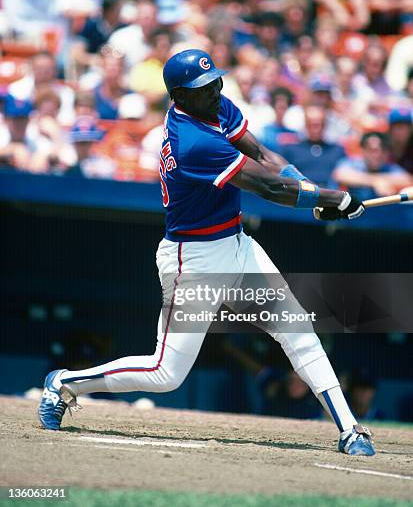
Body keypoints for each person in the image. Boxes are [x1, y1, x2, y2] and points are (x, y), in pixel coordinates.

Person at [38, 49, 375, 457]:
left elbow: (266, 157)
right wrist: (331, 197)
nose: (216, 89)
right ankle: (65, 383)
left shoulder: (214, 106)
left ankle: (350, 430)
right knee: (166, 374)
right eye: (203, 87)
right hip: (193, 261)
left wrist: (314, 194)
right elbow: (267, 187)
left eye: (216, 80)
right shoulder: (192, 141)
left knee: (297, 330)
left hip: (237, 245)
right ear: (179, 95)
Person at [332, 131, 412, 200]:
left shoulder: (389, 167)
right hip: (356, 215)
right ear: (362, 150)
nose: (378, 155)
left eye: (383, 150)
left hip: (382, 214)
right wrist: (375, 182)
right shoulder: (352, 163)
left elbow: (408, 180)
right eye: (373, 150)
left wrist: (379, 181)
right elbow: (340, 175)